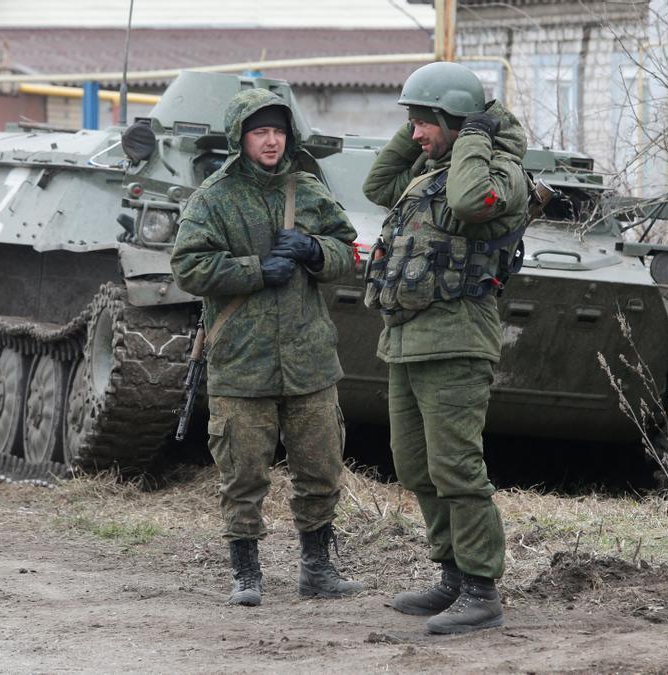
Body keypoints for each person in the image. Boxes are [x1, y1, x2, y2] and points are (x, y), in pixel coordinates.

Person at [170, 88, 362, 607]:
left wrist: (315, 252)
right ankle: (246, 575)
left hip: (309, 359)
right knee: (243, 473)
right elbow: (187, 267)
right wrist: (255, 271)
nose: (271, 140)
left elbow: (350, 252)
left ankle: (318, 570)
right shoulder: (213, 198)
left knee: (320, 469)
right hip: (242, 360)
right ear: (241, 138)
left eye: (278, 131)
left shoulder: (310, 190)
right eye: (260, 131)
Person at [362, 61, 529, 634]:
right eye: (410, 123)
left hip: (457, 338)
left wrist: (475, 133)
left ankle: (482, 591)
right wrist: (425, 115)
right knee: (416, 467)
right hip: (407, 340)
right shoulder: (426, 171)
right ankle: (452, 576)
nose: (414, 135)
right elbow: (376, 186)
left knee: (457, 467)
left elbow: (465, 204)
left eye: (424, 123)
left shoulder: (502, 175)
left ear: (458, 123)